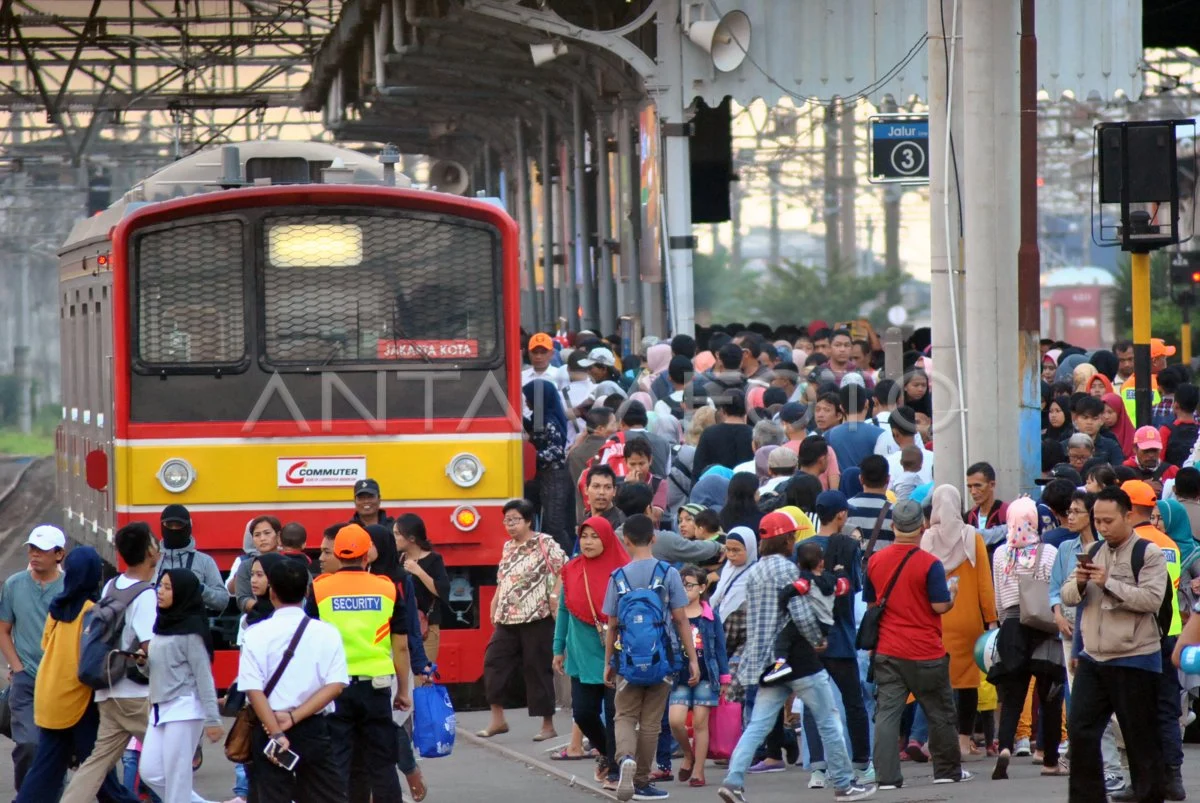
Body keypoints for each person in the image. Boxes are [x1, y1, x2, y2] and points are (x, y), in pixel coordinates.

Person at [717, 518, 874, 803]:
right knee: (828, 719)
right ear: (787, 540)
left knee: (757, 725)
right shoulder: (789, 571)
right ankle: (843, 783)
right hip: (800, 661)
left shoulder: (753, 573)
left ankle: (734, 780)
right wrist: (817, 639)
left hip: (768, 662)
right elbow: (800, 612)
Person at [1062, 486, 1169, 803]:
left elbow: (1151, 600)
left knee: (1140, 738)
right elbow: (1068, 595)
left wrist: (1107, 582)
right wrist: (1081, 581)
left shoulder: (1147, 553)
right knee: (1080, 731)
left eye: (1109, 520)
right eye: (1098, 520)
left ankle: (1150, 796)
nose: (1103, 527)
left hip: (1134, 658)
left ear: (1128, 517)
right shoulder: (1094, 551)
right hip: (1093, 657)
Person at [15, 546, 139, 803]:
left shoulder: (57, 607)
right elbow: (93, 658)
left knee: (45, 770)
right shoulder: (92, 611)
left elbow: (45, 645)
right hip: (78, 699)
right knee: (99, 771)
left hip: (49, 694)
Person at [866, 499, 971, 789]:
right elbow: (939, 606)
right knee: (940, 711)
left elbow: (872, 603)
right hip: (926, 651)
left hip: (888, 648)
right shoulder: (930, 564)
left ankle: (886, 776)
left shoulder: (875, 561)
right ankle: (946, 771)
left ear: (893, 526)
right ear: (922, 527)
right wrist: (953, 593)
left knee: (887, 713)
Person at [60, 524, 161, 803]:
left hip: (107, 690)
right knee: (170, 759)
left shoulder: (111, 585)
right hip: (136, 696)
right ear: (150, 551)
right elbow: (150, 649)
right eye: (155, 542)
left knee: (97, 762)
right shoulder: (146, 595)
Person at [311, 525, 410, 803]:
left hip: (334, 690)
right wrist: (403, 691)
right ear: (367, 555)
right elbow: (400, 646)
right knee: (381, 764)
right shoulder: (387, 588)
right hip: (376, 688)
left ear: (338, 555)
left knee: (338, 763)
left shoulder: (319, 589)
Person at [603, 514, 698, 802]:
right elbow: (681, 619)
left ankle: (626, 759)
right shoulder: (668, 573)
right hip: (663, 659)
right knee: (651, 723)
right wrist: (692, 658)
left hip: (628, 661)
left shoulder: (617, 577)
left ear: (626, 541)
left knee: (624, 715)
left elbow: (612, 625)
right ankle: (642, 780)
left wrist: (609, 662)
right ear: (654, 539)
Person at [238, 560, 349, 803]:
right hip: (313, 728)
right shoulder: (327, 632)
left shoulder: (255, 633)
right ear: (307, 592)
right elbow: (336, 685)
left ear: (272, 592)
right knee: (326, 795)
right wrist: (295, 717)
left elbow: (253, 689)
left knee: (271, 795)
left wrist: (277, 732)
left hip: (268, 729)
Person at [1048, 491, 1129, 796]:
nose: (1070, 517)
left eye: (1077, 512)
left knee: (1117, 711)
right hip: (1070, 634)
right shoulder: (1066, 549)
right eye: (1068, 511)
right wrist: (1057, 615)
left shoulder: (1108, 550)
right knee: (1085, 709)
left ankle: (1123, 766)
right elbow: (1058, 590)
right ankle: (1108, 769)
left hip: (1101, 636)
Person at [986, 497, 1065, 781]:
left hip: (1010, 627)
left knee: (1012, 696)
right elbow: (1054, 589)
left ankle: (1005, 746)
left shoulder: (999, 554)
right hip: (1042, 627)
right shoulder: (1048, 552)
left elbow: (997, 596)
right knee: (1050, 696)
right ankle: (1051, 760)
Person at [479, 499, 567, 741]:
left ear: (528, 521)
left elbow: (565, 568)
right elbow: (503, 578)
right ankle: (498, 719)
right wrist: (495, 601)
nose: (510, 525)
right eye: (507, 520)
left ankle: (547, 725)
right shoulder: (508, 547)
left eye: (515, 520)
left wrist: (554, 595)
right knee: (493, 661)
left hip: (537, 615)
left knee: (537, 668)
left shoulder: (544, 542)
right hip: (508, 617)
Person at [1119, 480, 1185, 800]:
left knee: (1137, 713)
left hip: (1140, 635)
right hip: (1171, 632)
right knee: (1167, 708)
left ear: (1128, 509)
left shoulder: (1130, 545)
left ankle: (1143, 782)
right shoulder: (1169, 543)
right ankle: (1173, 779)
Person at [920, 486, 997, 758]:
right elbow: (984, 584)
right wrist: (990, 619)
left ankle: (935, 741)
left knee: (935, 683)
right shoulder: (971, 536)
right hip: (968, 622)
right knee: (967, 683)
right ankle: (964, 740)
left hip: (937, 619)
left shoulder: (927, 539)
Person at [554, 516, 629, 790]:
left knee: (613, 713)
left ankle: (615, 771)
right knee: (584, 713)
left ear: (607, 539)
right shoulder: (572, 569)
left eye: (595, 536)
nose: (588, 542)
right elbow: (563, 610)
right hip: (580, 654)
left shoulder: (623, 572)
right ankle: (609, 755)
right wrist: (557, 648)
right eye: (584, 536)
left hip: (615, 654)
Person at [140, 570, 223, 803]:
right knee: (150, 772)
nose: (160, 592)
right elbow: (156, 669)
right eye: (160, 586)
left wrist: (213, 719)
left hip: (184, 708)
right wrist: (142, 664)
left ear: (182, 593)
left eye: (167, 587)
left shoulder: (192, 631)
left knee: (177, 777)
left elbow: (204, 676)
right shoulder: (163, 624)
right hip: (159, 709)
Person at [0, 524, 65, 792]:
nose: (34, 555)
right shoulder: (14, 585)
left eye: (42, 550)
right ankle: (26, 793)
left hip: (60, 681)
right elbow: (4, 629)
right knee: (29, 744)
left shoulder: (69, 587)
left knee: (55, 746)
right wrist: (17, 666)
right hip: (26, 679)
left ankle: (50, 793)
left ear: (59, 554)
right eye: (32, 549)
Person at [667, 566, 730, 790]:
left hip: (706, 676)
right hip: (679, 675)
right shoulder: (673, 614)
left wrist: (724, 678)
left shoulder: (711, 616)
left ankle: (699, 770)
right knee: (676, 721)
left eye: (690, 585)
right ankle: (688, 753)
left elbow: (721, 649)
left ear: (703, 587)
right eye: (681, 585)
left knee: (700, 723)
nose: (685, 590)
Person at [394, 514, 451, 664]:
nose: (394, 538)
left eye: (397, 534)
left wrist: (419, 571)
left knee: (423, 678)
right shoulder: (398, 559)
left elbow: (443, 591)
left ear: (411, 538)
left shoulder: (433, 559)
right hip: (403, 627)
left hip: (426, 628)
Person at [155, 505, 230, 612]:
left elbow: (222, 601)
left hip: (192, 626)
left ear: (188, 526)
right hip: (156, 625)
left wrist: (200, 589)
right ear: (162, 526)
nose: (174, 529)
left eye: (179, 525)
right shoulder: (152, 561)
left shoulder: (205, 561)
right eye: (169, 525)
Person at [692, 390, 755, 479]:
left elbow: (698, 469)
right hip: (746, 488)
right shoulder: (754, 434)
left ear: (723, 410)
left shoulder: (709, 433)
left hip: (715, 487)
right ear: (746, 409)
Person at [824, 385, 883, 472]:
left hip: (842, 484)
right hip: (871, 483)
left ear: (841, 408)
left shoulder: (828, 435)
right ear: (866, 403)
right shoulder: (880, 434)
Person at [235, 515, 281, 617]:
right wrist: (264, 608)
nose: (262, 538)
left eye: (267, 533)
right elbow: (242, 598)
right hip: (254, 620)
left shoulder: (289, 564)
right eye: (257, 535)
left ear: (278, 536)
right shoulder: (245, 566)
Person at [846, 456, 894, 547]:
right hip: (881, 561)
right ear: (888, 479)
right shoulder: (895, 511)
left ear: (861, 479)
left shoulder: (845, 508)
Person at [584, 464, 626, 530]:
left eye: (608, 487)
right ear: (586, 490)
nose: (601, 492)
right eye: (596, 486)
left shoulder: (620, 525)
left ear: (614, 491)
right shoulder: (585, 518)